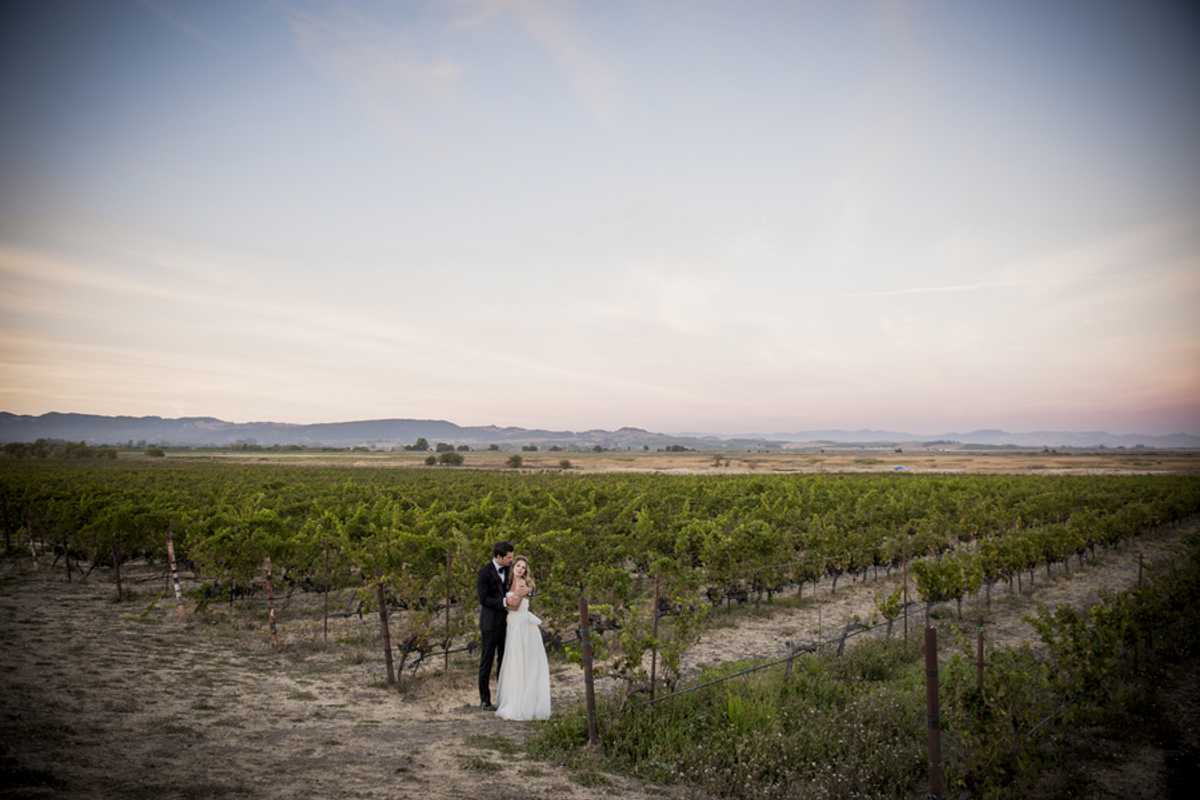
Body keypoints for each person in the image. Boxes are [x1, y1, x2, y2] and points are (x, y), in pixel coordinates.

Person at [494, 555, 551, 721]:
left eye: (523, 567)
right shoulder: (510, 582)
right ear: (513, 567)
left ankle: (523, 703)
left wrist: (505, 601)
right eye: (518, 566)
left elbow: (515, 605)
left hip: (521, 627)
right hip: (514, 625)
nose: (520, 569)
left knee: (522, 662)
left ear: (526, 571)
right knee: (514, 662)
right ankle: (516, 698)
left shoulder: (520, 584)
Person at [477, 541, 514, 709]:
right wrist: (503, 602)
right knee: (487, 660)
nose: (511, 560)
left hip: (506, 623)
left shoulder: (508, 570)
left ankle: (502, 697)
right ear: (498, 556)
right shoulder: (484, 573)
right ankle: (485, 700)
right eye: (508, 557)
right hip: (490, 624)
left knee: (503, 661)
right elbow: (483, 599)